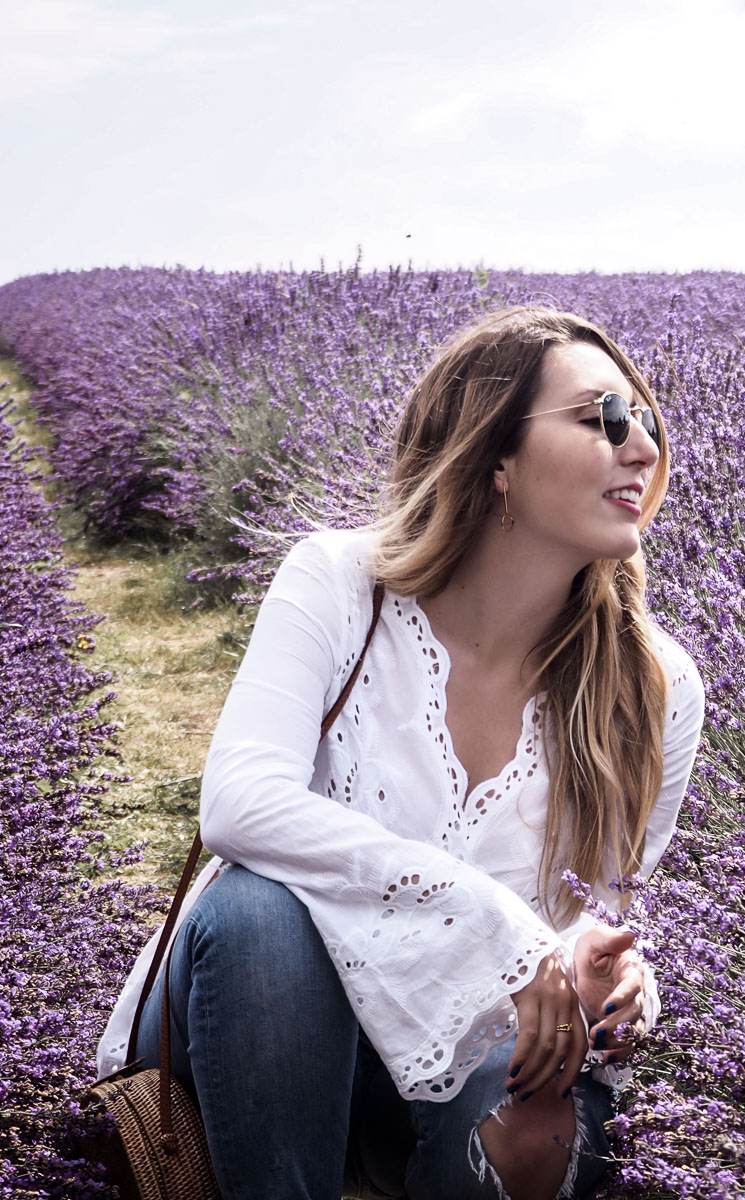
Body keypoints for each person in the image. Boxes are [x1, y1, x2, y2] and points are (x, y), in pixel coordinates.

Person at [92, 306, 706, 1200]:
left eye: (648, 420)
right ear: (493, 455)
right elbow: (237, 804)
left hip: (457, 1043)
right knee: (265, 908)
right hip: (257, 1019)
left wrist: (599, 978)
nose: (640, 447)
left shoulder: (654, 686)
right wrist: (500, 928)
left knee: (538, 1118)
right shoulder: (341, 584)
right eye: (602, 417)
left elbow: (593, 905)